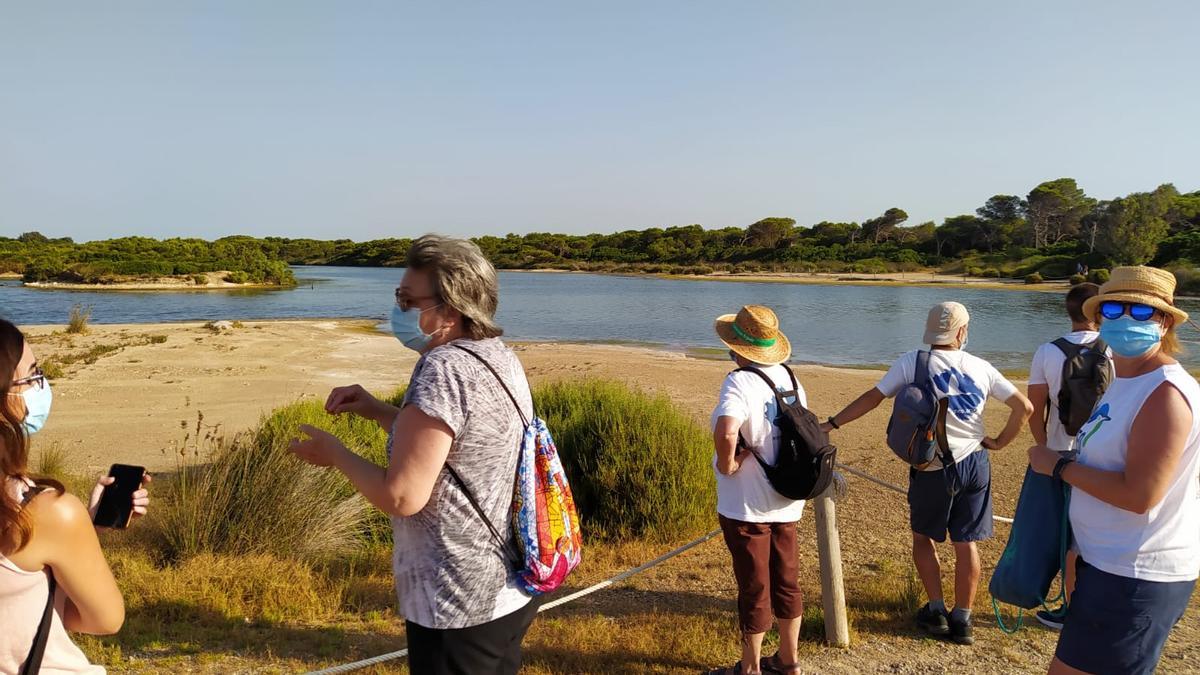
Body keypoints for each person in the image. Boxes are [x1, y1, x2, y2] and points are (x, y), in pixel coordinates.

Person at [289, 235, 536, 675]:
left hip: (453, 597)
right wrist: (378, 411)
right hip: (506, 586)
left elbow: (402, 497)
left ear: (451, 309)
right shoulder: (494, 355)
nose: (398, 309)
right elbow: (453, 445)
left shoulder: (440, 369)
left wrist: (336, 454)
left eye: (407, 299)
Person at [821, 302, 1032, 645]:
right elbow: (1024, 407)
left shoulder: (912, 362)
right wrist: (998, 442)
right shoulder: (982, 367)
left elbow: (872, 398)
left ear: (932, 332)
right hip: (975, 463)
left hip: (931, 465)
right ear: (962, 332)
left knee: (923, 538)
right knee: (966, 543)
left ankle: (936, 611)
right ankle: (962, 619)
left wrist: (831, 423)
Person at [1028, 266, 1200, 675]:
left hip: (1136, 573)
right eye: (1113, 309)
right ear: (1098, 317)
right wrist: (1079, 549)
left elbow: (1140, 495)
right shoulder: (1124, 381)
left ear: (1164, 321)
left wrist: (1059, 465)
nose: (1125, 319)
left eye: (1140, 312)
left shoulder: (1166, 394)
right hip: (1105, 563)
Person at [1, 318, 150, 674]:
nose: (41, 385)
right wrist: (76, 531)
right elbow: (101, 620)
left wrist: (81, 534)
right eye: (32, 375)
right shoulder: (44, 513)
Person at [705, 305, 806, 675]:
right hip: (788, 499)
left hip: (747, 505)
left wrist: (727, 463)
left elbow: (728, 430)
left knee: (754, 586)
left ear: (738, 349)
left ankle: (750, 668)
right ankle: (789, 660)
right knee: (787, 580)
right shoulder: (792, 379)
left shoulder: (738, 381)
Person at [1026, 282, 1111, 630]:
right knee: (1094, 531)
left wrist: (1044, 447)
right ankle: (1094, 605)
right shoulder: (1114, 350)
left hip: (1061, 450)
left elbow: (1035, 409)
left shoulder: (1048, 351)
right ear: (1099, 312)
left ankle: (1071, 608)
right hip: (1103, 452)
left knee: (1066, 532)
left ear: (1069, 311)